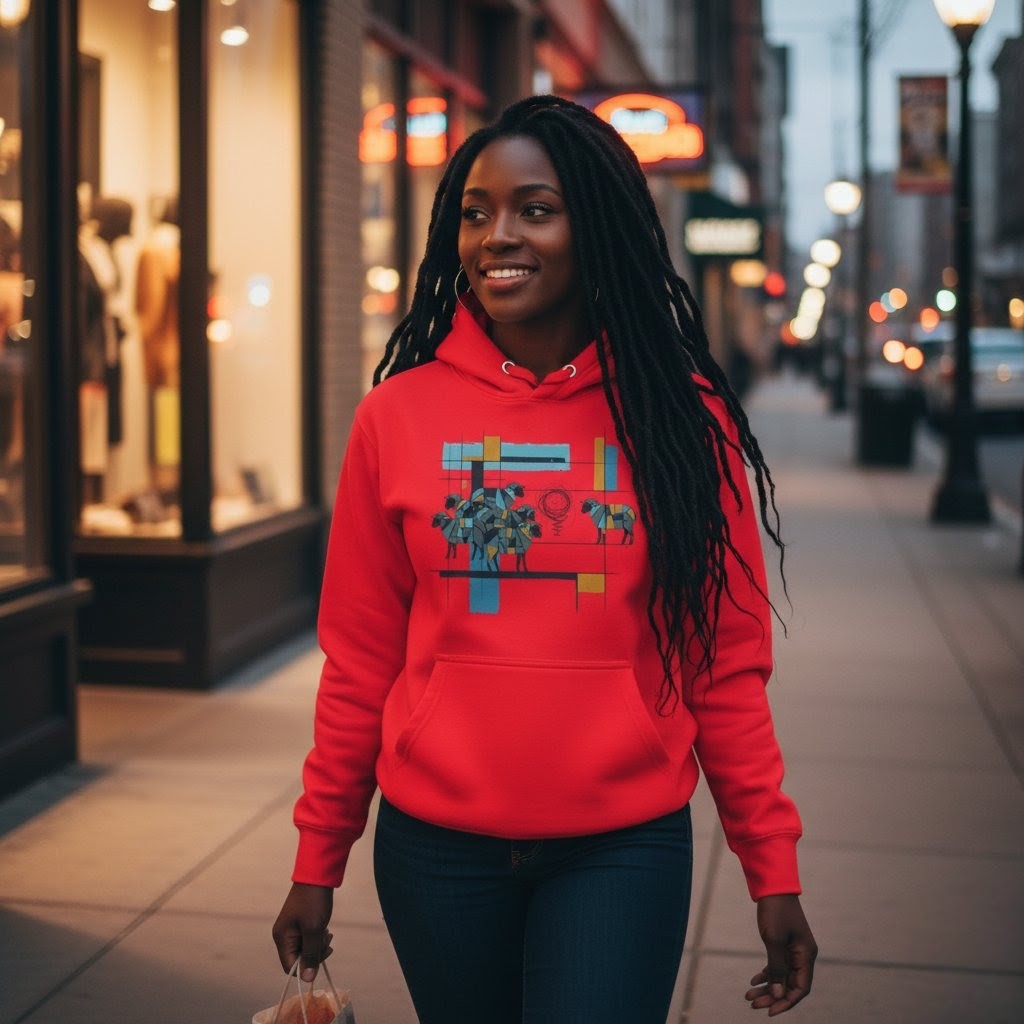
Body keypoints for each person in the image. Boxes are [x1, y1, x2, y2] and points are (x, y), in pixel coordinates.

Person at [272, 95, 817, 1023]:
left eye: (535, 208)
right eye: (476, 212)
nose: (497, 236)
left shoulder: (683, 421)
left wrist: (771, 865)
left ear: (594, 227)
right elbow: (361, 659)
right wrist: (318, 856)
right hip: (437, 847)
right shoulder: (396, 417)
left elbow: (725, 666)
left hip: (620, 844)